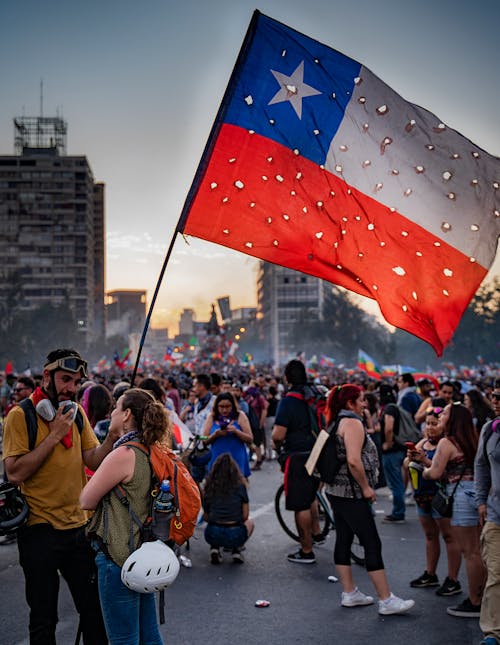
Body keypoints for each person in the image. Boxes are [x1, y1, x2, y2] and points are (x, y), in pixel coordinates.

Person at [2, 348, 116, 644]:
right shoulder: (20, 416)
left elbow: (92, 459)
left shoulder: (75, 414)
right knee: (43, 618)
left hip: (79, 529)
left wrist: (114, 436)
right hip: (38, 531)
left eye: (77, 382)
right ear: (47, 376)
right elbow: (14, 473)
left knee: (94, 612)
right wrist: (53, 435)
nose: (71, 388)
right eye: (66, 380)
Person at [80, 387, 172, 645]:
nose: (112, 412)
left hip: (117, 556)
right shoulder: (151, 449)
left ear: (127, 414)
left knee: (123, 639)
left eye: (116, 407)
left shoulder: (123, 454)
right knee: (149, 635)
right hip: (143, 553)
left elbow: (86, 500)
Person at [324, 384, 415, 615]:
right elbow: (354, 460)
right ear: (350, 403)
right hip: (352, 493)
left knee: (344, 539)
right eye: (361, 400)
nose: (365, 404)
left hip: (337, 491)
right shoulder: (352, 423)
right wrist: (366, 488)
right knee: (371, 542)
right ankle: (386, 599)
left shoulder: (337, 420)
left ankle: (350, 593)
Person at [423, 402, 487, 618]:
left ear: (453, 420)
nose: (440, 418)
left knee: (470, 552)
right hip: (478, 494)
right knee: (478, 550)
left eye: (444, 415)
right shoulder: (474, 438)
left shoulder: (447, 442)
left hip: (460, 496)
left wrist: (423, 469)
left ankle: (475, 601)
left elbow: (435, 473)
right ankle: (484, 596)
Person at [405, 407, 462, 595]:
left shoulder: (446, 445)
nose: (430, 428)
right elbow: (407, 465)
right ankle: (430, 574)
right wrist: (411, 458)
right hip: (423, 497)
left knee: (448, 537)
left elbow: (443, 473)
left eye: (434, 423)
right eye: (427, 424)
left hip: (442, 498)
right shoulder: (423, 443)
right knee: (430, 536)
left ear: (444, 424)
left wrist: (424, 461)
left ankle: (453, 579)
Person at [271, 359, 321, 564]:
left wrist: (276, 446)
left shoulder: (289, 401)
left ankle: (307, 550)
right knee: (311, 496)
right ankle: (317, 532)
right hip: (317, 451)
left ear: (287, 378)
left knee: (300, 504)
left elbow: (278, 434)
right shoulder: (314, 395)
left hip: (298, 455)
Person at [475, 382, 500, 645]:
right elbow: (480, 467)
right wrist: (481, 501)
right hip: (495, 515)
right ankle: (493, 632)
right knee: (496, 573)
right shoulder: (489, 430)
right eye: (494, 396)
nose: (496, 401)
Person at [203, 453, 254, 564]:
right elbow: (245, 516)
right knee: (250, 522)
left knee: (213, 522)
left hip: (212, 533)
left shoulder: (209, 487)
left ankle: (214, 548)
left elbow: (206, 517)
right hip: (235, 533)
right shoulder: (240, 487)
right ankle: (236, 550)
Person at [202, 392, 253, 479]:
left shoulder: (240, 416)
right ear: (217, 407)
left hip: (236, 458)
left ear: (233, 406)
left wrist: (236, 432)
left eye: (228, 406)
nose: (224, 410)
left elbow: (250, 438)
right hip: (217, 459)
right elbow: (204, 440)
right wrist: (215, 435)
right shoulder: (212, 417)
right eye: (221, 407)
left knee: (237, 488)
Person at [379, 383, 407, 523]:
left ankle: (398, 512)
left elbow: (389, 427)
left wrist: (387, 444)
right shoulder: (394, 406)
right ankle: (399, 511)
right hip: (398, 450)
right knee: (398, 481)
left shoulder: (389, 408)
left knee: (395, 482)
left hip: (392, 451)